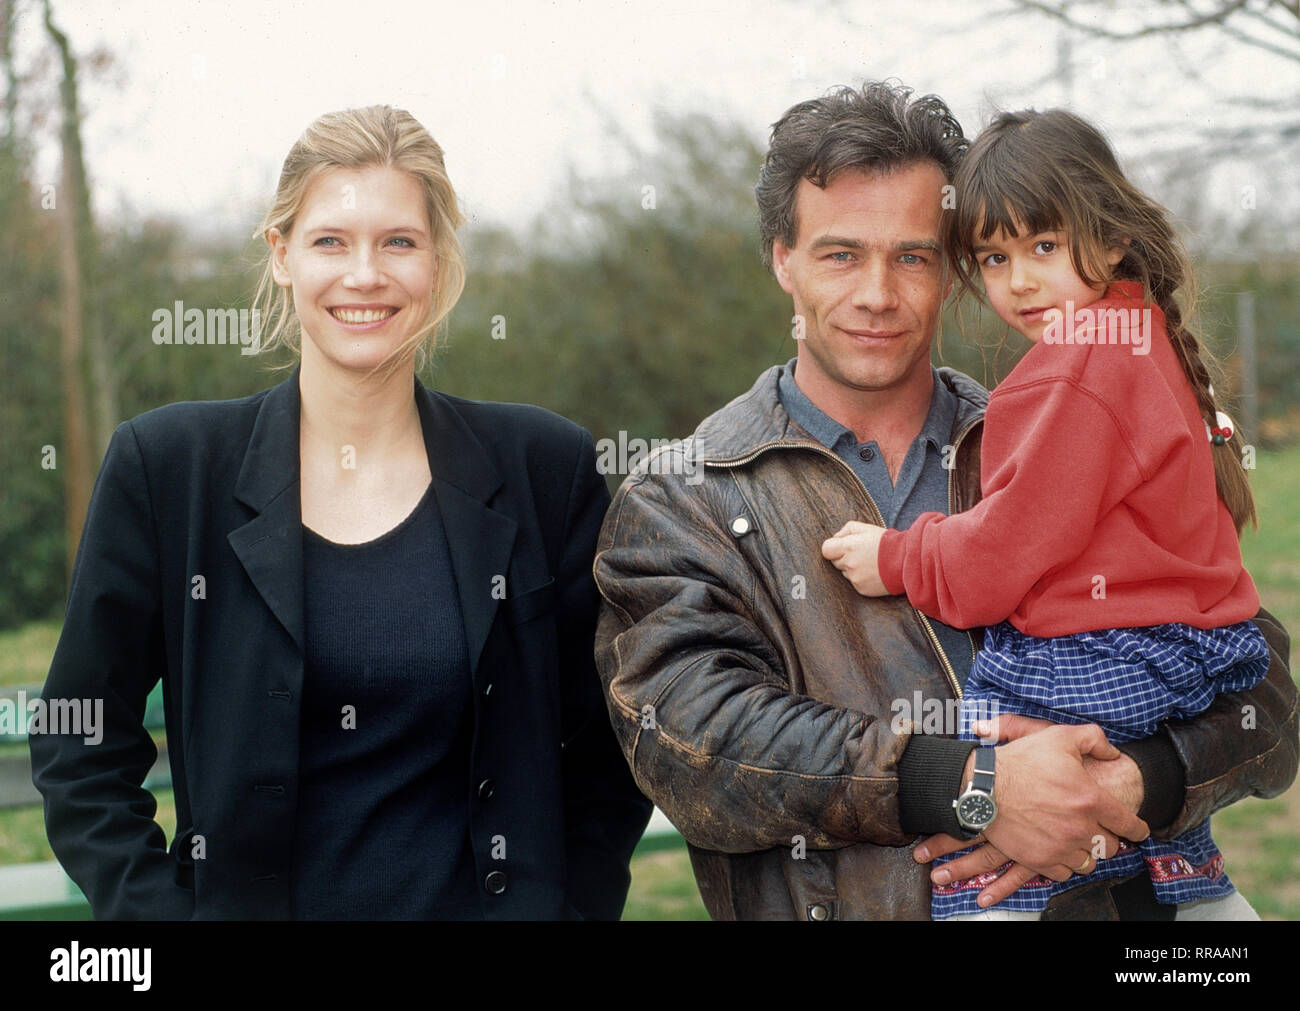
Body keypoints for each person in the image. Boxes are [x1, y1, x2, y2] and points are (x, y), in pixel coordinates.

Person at [591, 82, 1297, 920]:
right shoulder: (684, 495)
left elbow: (1265, 695)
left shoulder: (1059, 430)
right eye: (841, 253)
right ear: (783, 258)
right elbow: (694, 747)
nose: (879, 293)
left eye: (915, 255)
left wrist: (1139, 779)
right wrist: (972, 786)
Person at [30, 104, 651, 920]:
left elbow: (609, 745)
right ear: (281, 255)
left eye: (399, 240)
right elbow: (80, 739)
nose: (366, 274)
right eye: (331, 241)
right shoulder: (169, 468)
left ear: (438, 260)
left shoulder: (545, 467)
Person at [821, 108, 1270, 920]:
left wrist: (897, 555)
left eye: (1042, 246)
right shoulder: (1141, 335)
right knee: (1161, 843)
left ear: (1108, 236)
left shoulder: (1073, 370)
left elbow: (1001, 557)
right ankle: (1198, 890)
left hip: (1108, 655)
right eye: (994, 257)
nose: (1019, 280)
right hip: (1197, 651)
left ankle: (999, 898)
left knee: (993, 782)